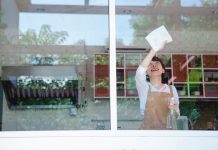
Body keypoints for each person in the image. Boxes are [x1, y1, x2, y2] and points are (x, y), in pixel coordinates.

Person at [135, 42, 180, 130]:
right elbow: (140, 72)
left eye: (157, 63)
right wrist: (154, 49)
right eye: (150, 64)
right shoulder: (144, 87)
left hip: (167, 136)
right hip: (148, 136)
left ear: (163, 70)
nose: (154, 65)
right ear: (146, 72)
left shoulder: (171, 89)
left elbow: (177, 115)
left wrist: (174, 109)